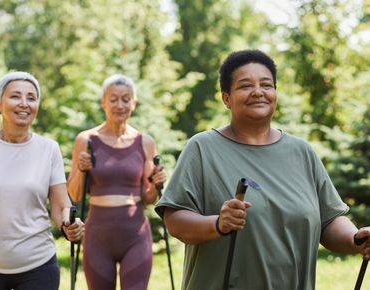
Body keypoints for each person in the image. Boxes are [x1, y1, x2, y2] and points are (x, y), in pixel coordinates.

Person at [155, 49, 370, 290]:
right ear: (226, 98)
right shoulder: (203, 149)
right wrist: (219, 223)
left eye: (266, 85)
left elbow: (329, 220)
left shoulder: (301, 152)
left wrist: (356, 240)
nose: (258, 92)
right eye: (245, 85)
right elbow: (175, 220)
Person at [0, 71, 84, 290]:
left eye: (31, 98)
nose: (24, 103)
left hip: (38, 267)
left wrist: (70, 224)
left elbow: (61, 206)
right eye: (15, 96)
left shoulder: (49, 149)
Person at [67, 74, 166, 290]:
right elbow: (74, 194)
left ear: (134, 103)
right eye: (113, 99)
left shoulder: (145, 143)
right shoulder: (86, 141)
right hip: (98, 238)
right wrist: (83, 170)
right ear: (103, 102)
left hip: (135, 236)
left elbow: (148, 198)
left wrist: (156, 183)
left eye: (125, 99)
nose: (119, 105)